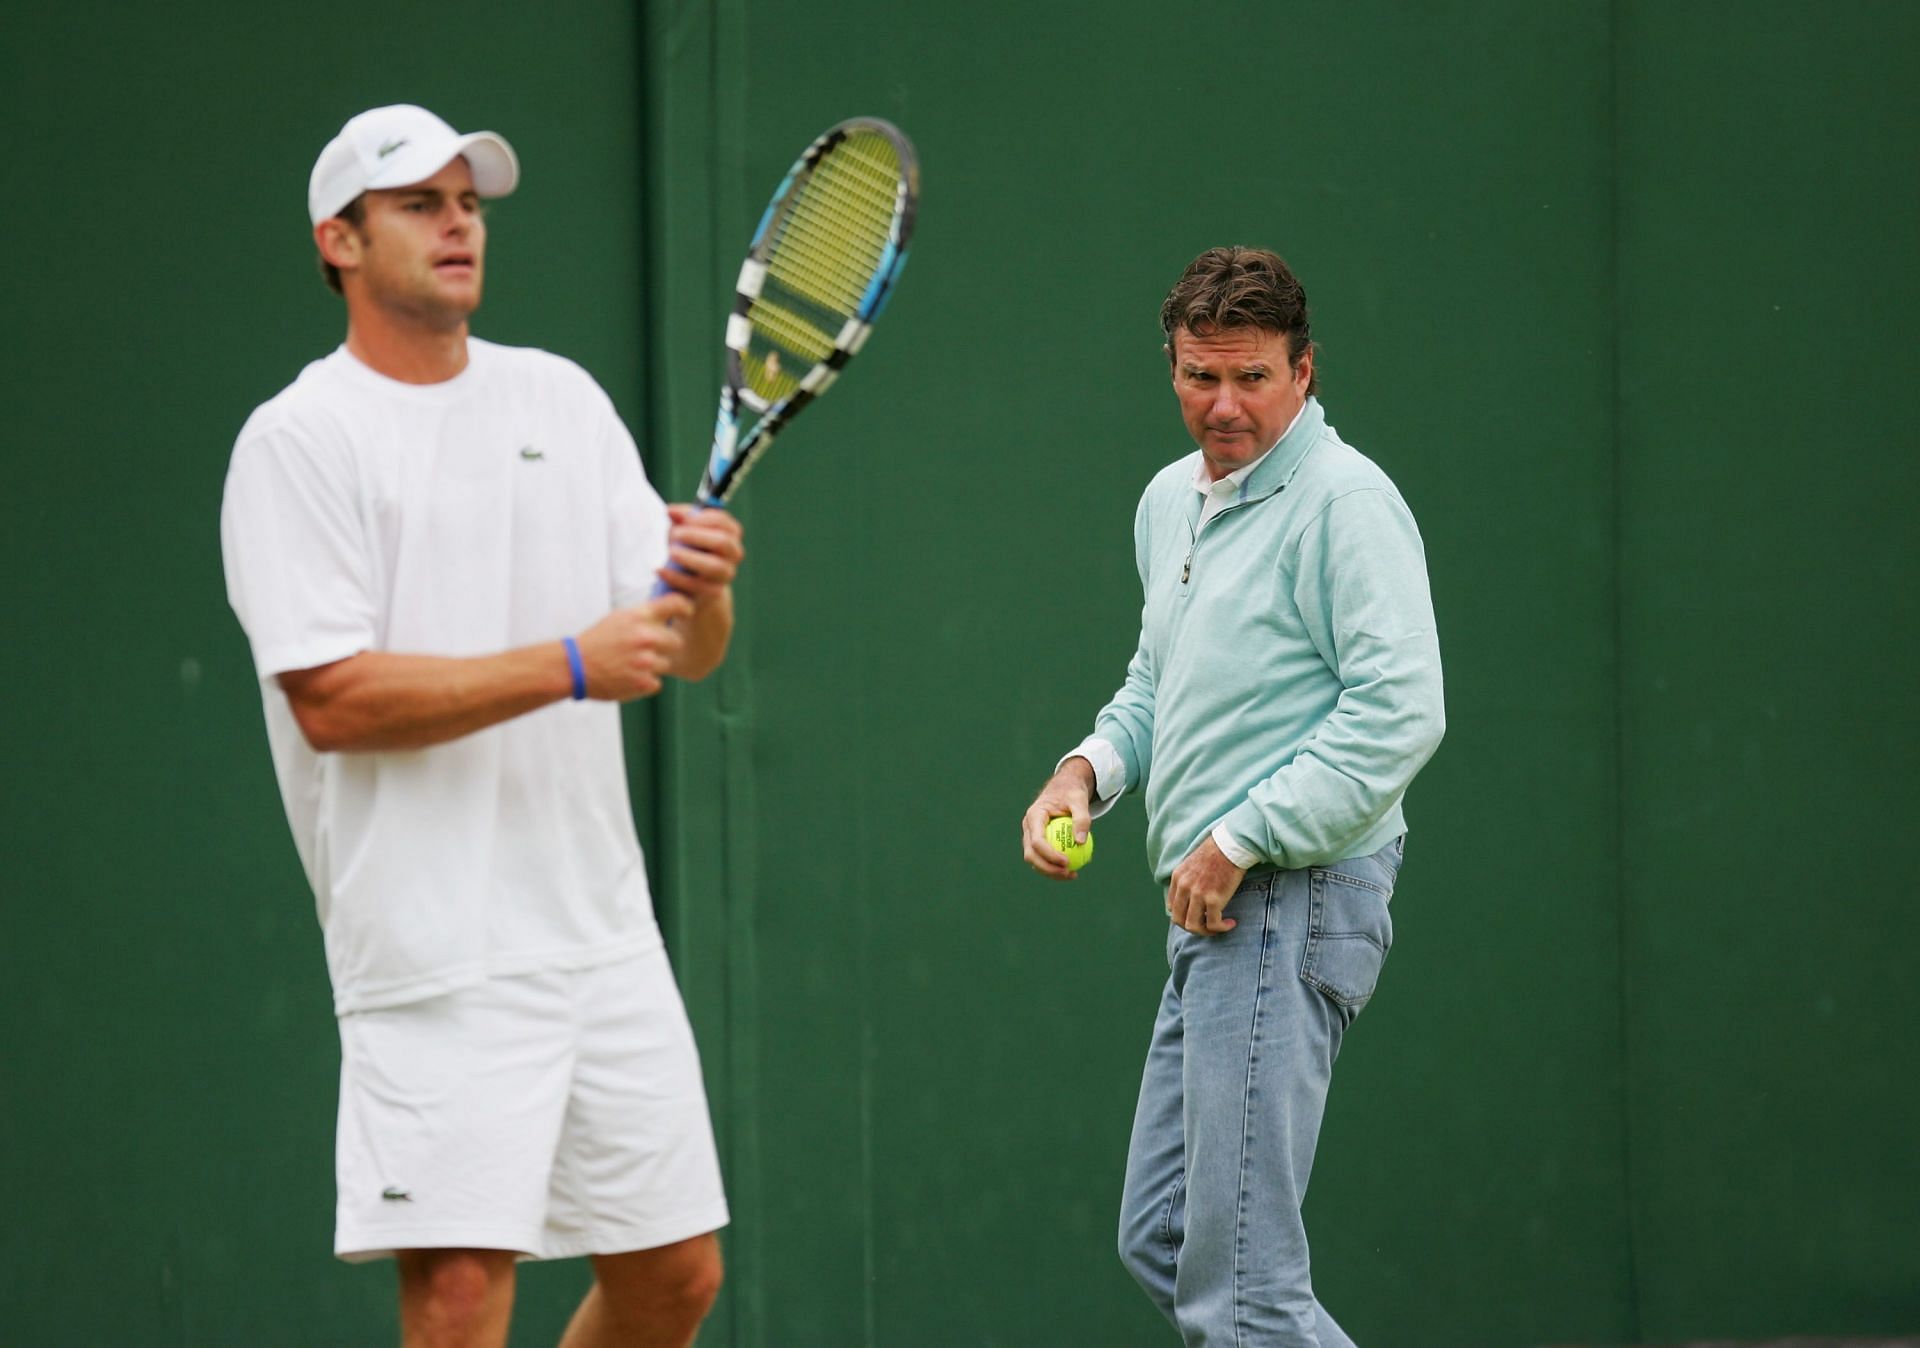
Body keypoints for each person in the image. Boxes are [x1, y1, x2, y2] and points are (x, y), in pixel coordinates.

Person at [221, 104, 742, 1348]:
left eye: (470, 204)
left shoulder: (557, 398)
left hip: (599, 931)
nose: (458, 225)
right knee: (461, 1300)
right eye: (420, 205)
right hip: (432, 945)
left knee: (676, 1277)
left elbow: (676, 652)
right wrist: (569, 663)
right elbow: (332, 699)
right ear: (337, 241)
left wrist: (706, 589)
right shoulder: (299, 440)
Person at [1020, 247, 1445, 1346]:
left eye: (1251, 378)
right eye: (1200, 377)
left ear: (1305, 372)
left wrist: (1243, 834)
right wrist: (1085, 771)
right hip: (1216, 909)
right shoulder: (1173, 501)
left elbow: (1403, 709)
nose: (1224, 406)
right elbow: (1160, 680)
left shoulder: (1347, 504)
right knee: (1169, 1234)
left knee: (1240, 1286)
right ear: (1171, 369)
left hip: (1292, 897)